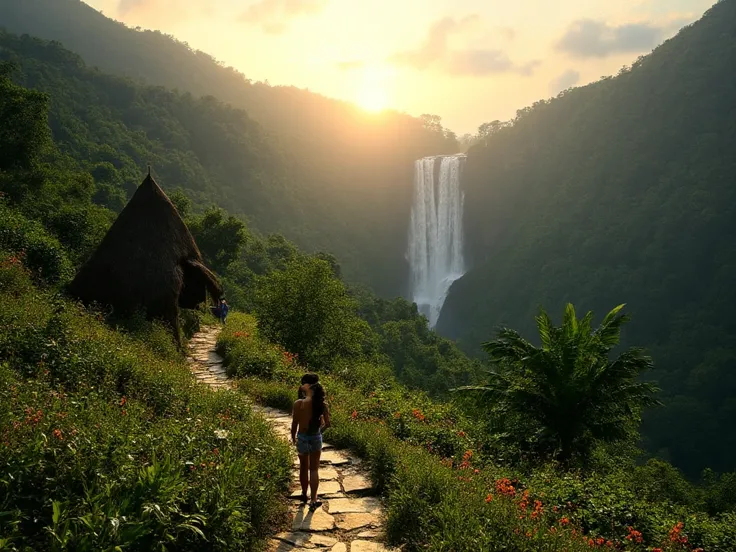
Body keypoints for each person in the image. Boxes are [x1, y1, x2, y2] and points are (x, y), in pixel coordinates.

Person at [291, 373, 330, 510]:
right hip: (315, 437)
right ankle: (314, 498)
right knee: (314, 469)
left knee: (303, 467)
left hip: (302, 437)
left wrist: (293, 437)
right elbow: (328, 424)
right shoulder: (322, 404)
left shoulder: (298, 404)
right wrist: (319, 432)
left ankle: (303, 494)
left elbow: (294, 424)